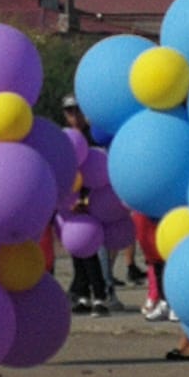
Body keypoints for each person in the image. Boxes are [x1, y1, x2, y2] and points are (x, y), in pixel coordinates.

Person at [61, 94, 112, 316]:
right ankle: (82, 293)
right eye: (70, 112)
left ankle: (100, 296)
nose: (75, 116)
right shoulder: (64, 140)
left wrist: (88, 200)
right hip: (71, 205)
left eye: (78, 111)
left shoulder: (93, 138)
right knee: (76, 249)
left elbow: (98, 171)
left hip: (93, 202)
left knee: (90, 250)